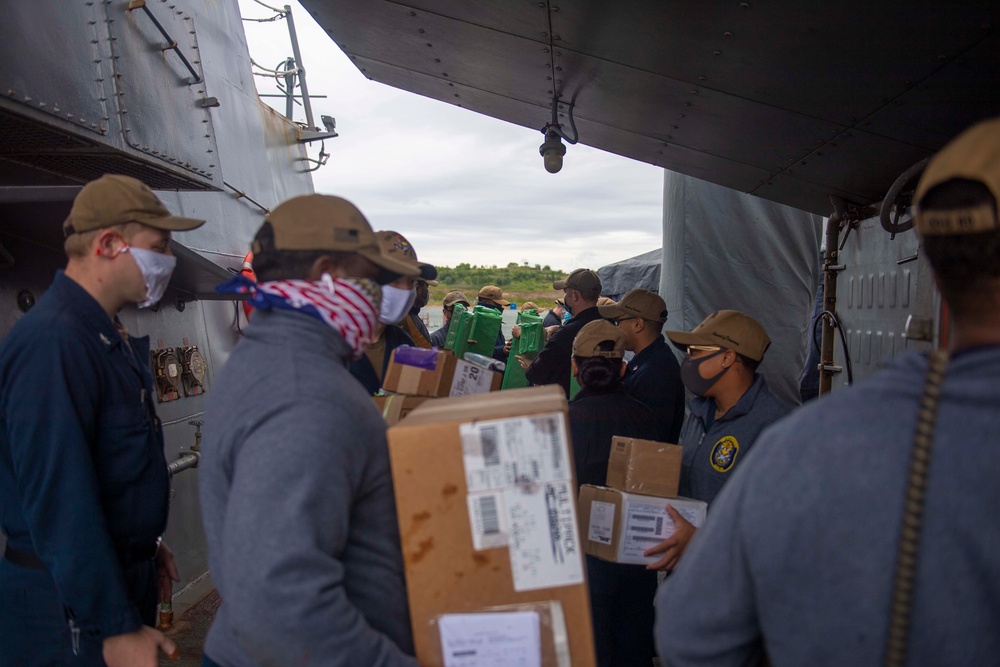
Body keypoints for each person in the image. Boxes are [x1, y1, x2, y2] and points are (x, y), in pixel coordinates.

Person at [655, 118, 1000, 665]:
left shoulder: (804, 441)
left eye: (699, 352)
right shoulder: (723, 421)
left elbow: (692, 634)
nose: (690, 363)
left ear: (930, 274)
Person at [201, 195, 421, 666]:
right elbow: (279, 607)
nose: (378, 296)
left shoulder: (260, 361)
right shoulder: (307, 394)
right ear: (330, 275)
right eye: (370, 279)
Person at [0, 174, 197, 666]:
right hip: (65, 604)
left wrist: (145, 545)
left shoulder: (103, 334)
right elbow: (60, 500)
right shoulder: (55, 343)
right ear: (109, 243)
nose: (168, 261)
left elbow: (112, 466)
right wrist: (114, 626)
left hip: (111, 577)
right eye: (159, 246)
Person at [642, 310, 791, 571]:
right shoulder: (699, 412)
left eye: (695, 352)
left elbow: (780, 529)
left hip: (732, 590)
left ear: (727, 357)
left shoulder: (776, 429)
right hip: (687, 577)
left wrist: (701, 541)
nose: (689, 361)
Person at [567, 320, 661, 667]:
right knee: (634, 647)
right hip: (638, 558)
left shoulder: (564, 420)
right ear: (622, 367)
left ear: (576, 368)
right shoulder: (648, 418)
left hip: (583, 563)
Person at [350, 231, 437, 395]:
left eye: (411, 281)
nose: (405, 290)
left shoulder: (402, 343)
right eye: (394, 280)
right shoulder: (327, 342)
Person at [599, 288, 685, 443]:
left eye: (618, 322)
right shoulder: (649, 361)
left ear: (638, 324)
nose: (616, 328)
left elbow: (647, 443)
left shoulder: (656, 373)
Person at [523, 268, 605, 397]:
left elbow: (536, 373)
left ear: (575, 295)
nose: (564, 298)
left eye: (565, 293)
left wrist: (530, 364)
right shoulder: (608, 324)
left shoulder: (565, 335)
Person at [401, 276, 437, 348]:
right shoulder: (407, 317)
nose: (426, 291)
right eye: (426, 287)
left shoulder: (411, 313)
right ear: (417, 288)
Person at [476, 285, 510, 361]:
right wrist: (502, 350)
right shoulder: (478, 321)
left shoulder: (493, 319)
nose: (500, 307)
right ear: (485, 302)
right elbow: (479, 350)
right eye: (497, 304)